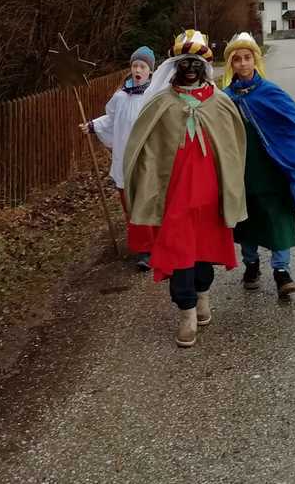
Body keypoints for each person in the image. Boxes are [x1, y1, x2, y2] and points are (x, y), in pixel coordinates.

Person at [123, 29, 247, 347]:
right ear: (175, 66)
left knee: (204, 249)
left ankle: (202, 295)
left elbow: (233, 149)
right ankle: (187, 312)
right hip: (175, 196)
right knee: (179, 251)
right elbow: (147, 150)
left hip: (209, 194)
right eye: (184, 63)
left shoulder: (220, 103)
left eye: (195, 63)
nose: (190, 69)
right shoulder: (161, 103)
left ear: (204, 66)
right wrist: (145, 186)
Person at [223, 33, 295, 298]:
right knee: (246, 221)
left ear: (255, 60)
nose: (243, 63)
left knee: (278, 219)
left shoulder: (271, 92)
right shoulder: (225, 98)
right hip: (242, 172)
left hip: (272, 171)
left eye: (247, 58)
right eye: (237, 59)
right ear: (231, 64)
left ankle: (281, 271)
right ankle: (251, 265)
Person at [81, 46, 158, 270]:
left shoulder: (154, 97)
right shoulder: (120, 96)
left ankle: (154, 246)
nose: (138, 70)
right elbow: (111, 119)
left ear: (150, 71)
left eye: (142, 66)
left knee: (147, 202)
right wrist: (92, 126)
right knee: (130, 205)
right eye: (135, 65)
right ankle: (143, 248)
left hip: (147, 160)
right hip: (124, 159)